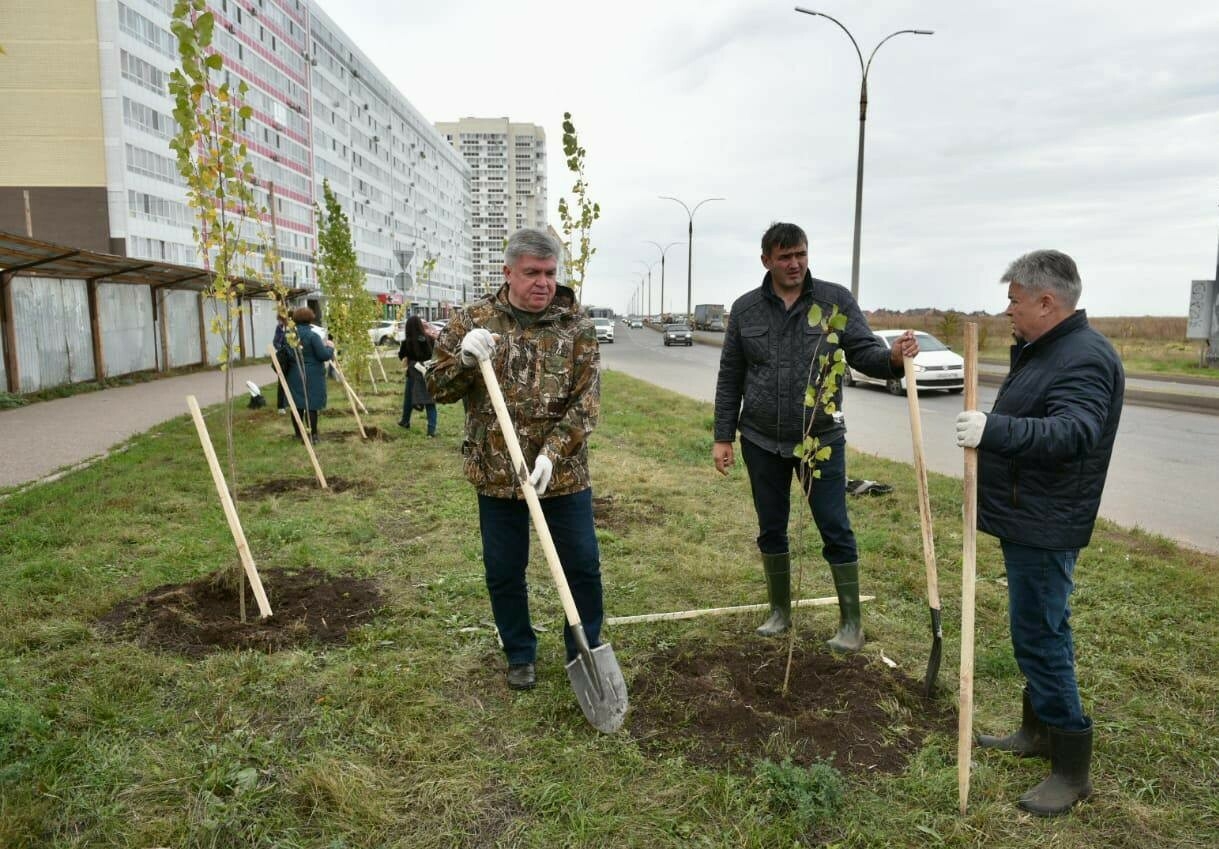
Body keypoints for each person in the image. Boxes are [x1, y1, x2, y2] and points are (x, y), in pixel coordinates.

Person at [955, 249, 1123, 817]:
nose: (1008, 310)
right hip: (1030, 514)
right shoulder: (1047, 349)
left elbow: (1074, 431)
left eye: (1015, 300)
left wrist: (993, 429)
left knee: (1040, 634)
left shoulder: (1084, 358)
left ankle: (1071, 768)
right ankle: (1039, 730)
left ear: (1047, 302)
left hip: (1047, 523)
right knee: (1040, 627)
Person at [712, 222, 917, 651]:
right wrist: (723, 436)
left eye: (801, 254)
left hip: (820, 439)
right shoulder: (746, 310)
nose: (795, 264)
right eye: (785, 257)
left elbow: (863, 353)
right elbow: (731, 375)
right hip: (761, 440)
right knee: (771, 527)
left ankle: (851, 624)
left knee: (834, 526)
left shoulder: (834, 301)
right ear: (766, 260)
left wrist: (894, 360)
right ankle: (779, 612)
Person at [427, 227, 603, 692]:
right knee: (504, 570)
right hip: (497, 472)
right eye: (532, 273)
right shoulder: (474, 320)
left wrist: (551, 455)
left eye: (550, 272)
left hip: (562, 475)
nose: (543, 283)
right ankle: (520, 653)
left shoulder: (577, 327)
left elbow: (587, 404)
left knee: (582, 565)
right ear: (508, 272)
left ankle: (583, 650)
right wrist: (464, 360)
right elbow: (436, 387)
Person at [284, 306, 335, 445]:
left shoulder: (290, 336)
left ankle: (298, 434)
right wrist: (330, 347)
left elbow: (287, 354)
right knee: (311, 404)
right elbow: (323, 355)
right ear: (310, 319)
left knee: (297, 404)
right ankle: (313, 435)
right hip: (312, 375)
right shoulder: (313, 336)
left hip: (295, 373)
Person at [397, 315, 439, 436]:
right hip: (428, 373)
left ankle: (405, 421)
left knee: (409, 398)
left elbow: (401, 356)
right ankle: (431, 430)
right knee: (430, 402)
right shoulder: (430, 339)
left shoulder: (407, 342)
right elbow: (436, 354)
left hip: (413, 374)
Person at [272, 313, 290, 414]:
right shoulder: (279, 328)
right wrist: (281, 348)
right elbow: (275, 342)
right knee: (282, 380)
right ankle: (281, 406)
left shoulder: (292, 328)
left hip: (293, 357)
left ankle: (291, 402)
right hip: (283, 357)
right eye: (278, 320)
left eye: (281, 320)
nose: (279, 322)